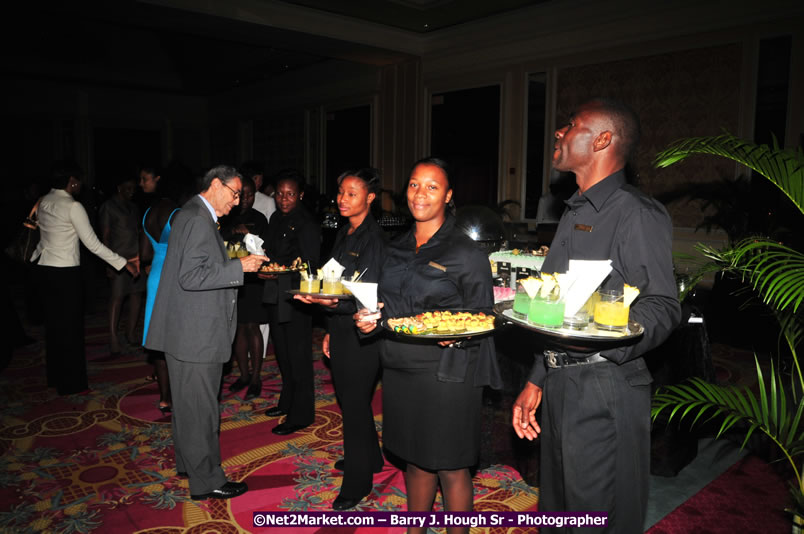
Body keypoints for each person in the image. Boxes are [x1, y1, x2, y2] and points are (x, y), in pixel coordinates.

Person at [511, 98, 681, 533]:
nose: (559, 132)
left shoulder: (635, 213)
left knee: (597, 516)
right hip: (562, 379)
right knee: (558, 510)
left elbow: (662, 306)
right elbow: (552, 306)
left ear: (603, 139)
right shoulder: (576, 211)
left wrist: (604, 337)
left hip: (606, 385)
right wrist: (537, 378)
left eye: (571, 125)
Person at [355, 157, 500, 534]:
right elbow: (388, 305)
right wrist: (369, 319)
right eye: (415, 185)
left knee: (451, 465)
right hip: (399, 368)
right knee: (415, 459)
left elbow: (484, 316)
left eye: (432, 187)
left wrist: (459, 331)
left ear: (448, 196)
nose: (421, 194)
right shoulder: (395, 247)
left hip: (447, 371)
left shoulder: (466, 252)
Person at [144, 165, 268, 501]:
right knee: (201, 411)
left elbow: (192, 268)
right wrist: (238, 266)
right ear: (216, 184)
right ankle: (208, 480)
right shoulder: (198, 217)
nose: (237, 201)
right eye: (234, 193)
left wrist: (228, 262)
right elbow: (192, 276)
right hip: (196, 334)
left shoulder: (191, 213)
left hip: (185, 331)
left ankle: (190, 466)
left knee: (187, 408)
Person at [294, 168, 385, 510]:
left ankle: (357, 484)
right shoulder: (345, 232)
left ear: (370, 198)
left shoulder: (374, 239)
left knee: (355, 405)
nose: (342, 199)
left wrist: (333, 303)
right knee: (351, 402)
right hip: (343, 328)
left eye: (351, 193)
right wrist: (327, 316)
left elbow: (369, 292)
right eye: (340, 192)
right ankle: (371, 459)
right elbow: (332, 278)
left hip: (363, 331)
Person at [32, 162, 139, 396]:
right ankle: (71, 383)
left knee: (55, 327)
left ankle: (56, 376)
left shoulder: (43, 200)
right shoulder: (73, 206)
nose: (80, 184)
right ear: (71, 181)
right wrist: (124, 263)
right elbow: (92, 244)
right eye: (78, 180)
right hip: (65, 271)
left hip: (45, 269)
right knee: (70, 328)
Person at [260, 172, 321, 435]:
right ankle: (287, 402)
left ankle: (302, 414)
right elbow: (271, 253)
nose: (284, 199)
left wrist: (282, 270)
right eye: (280, 194)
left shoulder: (306, 222)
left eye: (290, 194)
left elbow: (310, 264)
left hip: (297, 296)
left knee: (298, 357)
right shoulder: (275, 218)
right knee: (283, 354)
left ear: (300, 196)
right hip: (276, 292)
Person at [222, 177, 269, 401]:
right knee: (237, 328)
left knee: (253, 327)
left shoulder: (259, 219)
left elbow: (264, 248)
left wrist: (246, 234)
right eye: (243, 194)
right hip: (232, 277)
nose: (247, 199)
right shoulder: (227, 215)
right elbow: (218, 240)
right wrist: (233, 231)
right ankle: (244, 375)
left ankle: (256, 378)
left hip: (253, 281)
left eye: (251, 195)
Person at [139, 166, 179, 414]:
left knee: (159, 341)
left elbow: (144, 254)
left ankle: (165, 398)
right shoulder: (177, 213)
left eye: (144, 178)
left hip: (154, 276)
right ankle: (181, 394)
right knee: (177, 339)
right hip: (175, 278)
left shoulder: (147, 214)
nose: (141, 183)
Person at [99, 176, 145, 354]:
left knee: (136, 295)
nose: (131, 191)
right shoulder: (109, 207)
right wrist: (108, 263)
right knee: (117, 297)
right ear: (119, 188)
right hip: (117, 259)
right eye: (128, 188)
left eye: (133, 188)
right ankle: (113, 337)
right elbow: (105, 236)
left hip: (135, 258)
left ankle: (131, 333)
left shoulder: (133, 207)